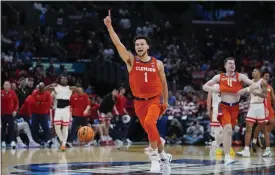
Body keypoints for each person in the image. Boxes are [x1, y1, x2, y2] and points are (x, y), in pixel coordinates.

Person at [104, 10, 171, 173]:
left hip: (154, 100)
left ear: (148, 46)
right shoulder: (131, 61)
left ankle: (154, 158)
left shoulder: (158, 63)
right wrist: (109, 27)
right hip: (138, 102)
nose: (139, 46)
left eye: (142, 44)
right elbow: (118, 44)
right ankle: (163, 155)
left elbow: (164, 83)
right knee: (150, 129)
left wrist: (166, 102)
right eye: (137, 45)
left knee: (149, 124)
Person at [202, 57, 259, 165]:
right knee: (227, 129)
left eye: (233, 63)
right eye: (230, 63)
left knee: (226, 132)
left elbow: (255, 85)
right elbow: (204, 86)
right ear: (225, 66)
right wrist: (213, 89)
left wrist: (246, 89)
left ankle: (216, 143)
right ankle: (227, 156)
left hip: (235, 108)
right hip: (223, 107)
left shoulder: (240, 76)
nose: (232, 65)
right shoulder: (219, 77)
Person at [236, 69, 268, 157]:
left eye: (255, 71)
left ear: (259, 73)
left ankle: (267, 149)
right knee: (248, 128)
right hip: (252, 107)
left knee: (264, 129)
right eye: (252, 71)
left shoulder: (263, 82)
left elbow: (265, 96)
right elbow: (247, 91)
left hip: (261, 106)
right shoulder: (250, 82)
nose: (253, 72)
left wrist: (255, 92)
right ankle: (246, 150)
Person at [45, 75, 80, 151]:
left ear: (67, 81)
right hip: (57, 109)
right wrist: (50, 85)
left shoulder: (70, 88)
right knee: (56, 127)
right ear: (60, 80)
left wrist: (76, 88)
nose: (64, 79)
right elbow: (45, 90)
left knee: (65, 127)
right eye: (62, 78)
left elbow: (80, 91)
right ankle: (61, 140)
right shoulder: (56, 87)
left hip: (66, 109)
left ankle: (63, 144)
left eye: (65, 78)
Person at [252, 71, 275, 157]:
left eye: (268, 76)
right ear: (262, 77)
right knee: (263, 128)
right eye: (265, 76)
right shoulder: (258, 85)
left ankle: (261, 137)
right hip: (261, 108)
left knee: (273, 123)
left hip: (270, 108)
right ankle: (267, 149)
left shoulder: (270, 87)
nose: (267, 78)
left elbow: (273, 98)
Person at [31, 82, 53, 147]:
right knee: (35, 128)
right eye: (39, 87)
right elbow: (33, 102)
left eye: (42, 87)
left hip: (44, 113)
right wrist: (42, 103)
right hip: (35, 113)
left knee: (46, 127)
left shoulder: (47, 94)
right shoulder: (35, 93)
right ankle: (36, 141)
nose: (40, 88)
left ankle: (48, 140)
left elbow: (49, 104)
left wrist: (41, 103)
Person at [1, 81, 19, 149]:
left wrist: (15, 110)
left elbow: (16, 102)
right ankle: (3, 141)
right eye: (5, 84)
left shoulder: (13, 93)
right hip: (2, 114)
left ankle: (12, 141)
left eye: (7, 84)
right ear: (3, 86)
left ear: (10, 86)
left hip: (10, 114)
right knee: (3, 128)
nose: (6, 86)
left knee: (11, 127)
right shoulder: (1, 92)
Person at [207, 84, 223, 156]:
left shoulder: (212, 86)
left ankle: (216, 144)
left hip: (216, 108)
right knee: (225, 130)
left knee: (218, 130)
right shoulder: (227, 83)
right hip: (224, 108)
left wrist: (208, 110)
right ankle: (217, 145)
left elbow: (208, 99)